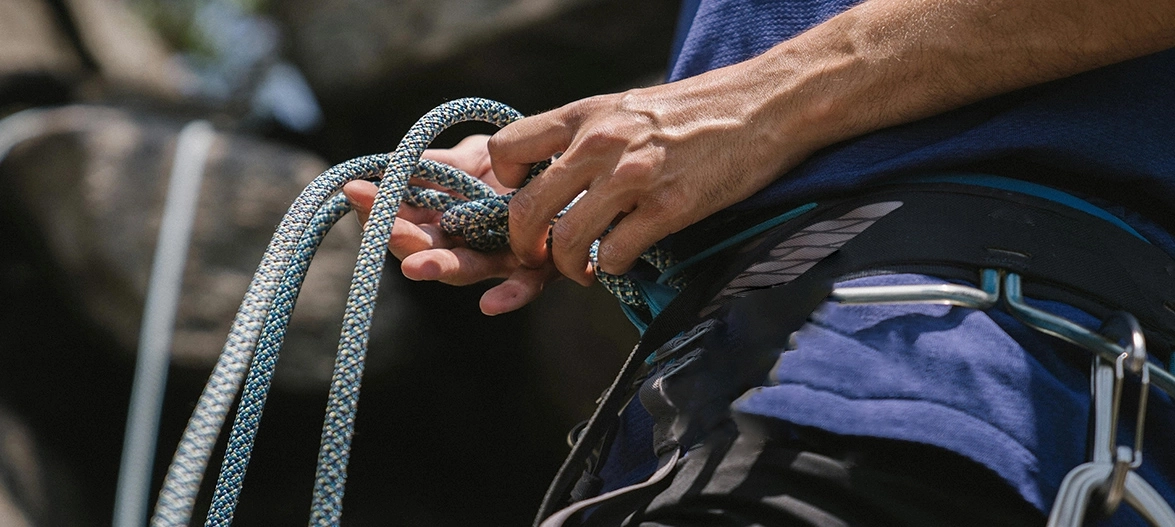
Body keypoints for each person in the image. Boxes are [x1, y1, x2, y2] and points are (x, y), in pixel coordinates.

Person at [345, 0, 1175, 524]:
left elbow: (754, 108)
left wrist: (764, 101)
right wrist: (569, 190)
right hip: (756, 378)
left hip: (931, 365)